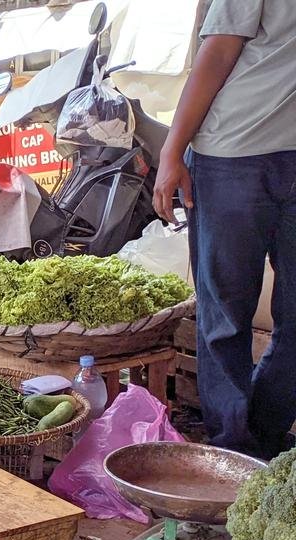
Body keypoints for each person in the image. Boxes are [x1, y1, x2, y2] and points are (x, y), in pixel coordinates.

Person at [153, 0, 296, 460]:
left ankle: (262, 439)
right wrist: (172, 152)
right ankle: (232, 449)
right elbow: (218, 51)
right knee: (225, 316)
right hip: (233, 156)